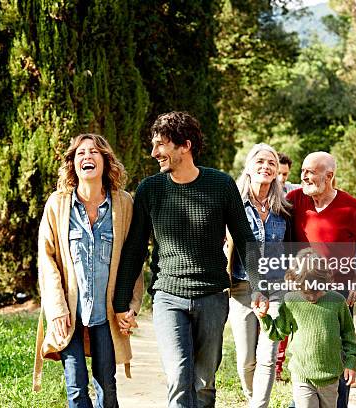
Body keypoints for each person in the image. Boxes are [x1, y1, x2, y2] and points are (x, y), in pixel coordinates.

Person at [113, 111, 265, 408]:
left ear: (185, 145)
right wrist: (122, 303)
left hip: (212, 297)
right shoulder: (150, 189)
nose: (154, 152)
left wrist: (259, 286)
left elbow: (245, 238)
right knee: (180, 376)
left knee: (205, 382)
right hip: (168, 296)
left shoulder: (220, 184)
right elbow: (134, 250)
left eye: (161, 145)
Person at [32, 134, 144, 408]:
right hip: (70, 315)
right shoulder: (57, 205)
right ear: (73, 163)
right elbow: (46, 261)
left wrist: (131, 305)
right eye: (80, 153)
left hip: (106, 315)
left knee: (107, 384)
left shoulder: (124, 204)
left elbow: (133, 261)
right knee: (76, 387)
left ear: (105, 161)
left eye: (94, 152)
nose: (87, 157)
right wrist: (57, 309)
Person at [285, 151, 356, 408]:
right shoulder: (295, 200)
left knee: (337, 353)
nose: (304, 176)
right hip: (302, 294)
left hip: (338, 294)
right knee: (306, 351)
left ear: (329, 176)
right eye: (303, 171)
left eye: (311, 171)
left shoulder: (350, 207)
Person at [225, 143, 293, 407]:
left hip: (276, 288)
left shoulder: (283, 209)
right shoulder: (234, 205)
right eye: (260, 162)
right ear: (249, 168)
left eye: (271, 163)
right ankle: (254, 399)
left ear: (277, 171)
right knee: (246, 360)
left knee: (268, 356)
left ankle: (259, 405)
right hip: (242, 289)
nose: (266, 167)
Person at [259, 248, 356, 408]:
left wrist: (351, 362)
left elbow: (349, 335)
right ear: (295, 283)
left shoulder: (338, 301)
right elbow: (278, 332)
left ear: (326, 281)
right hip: (302, 375)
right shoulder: (291, 301)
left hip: (330, 377)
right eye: (306, 292)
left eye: (316, 291)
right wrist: (264, 317)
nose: (311, 297)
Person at [275, 151, 301, 381]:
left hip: (290, 262)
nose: (282, 178)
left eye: (285, 174)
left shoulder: (293, 193)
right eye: (279, 174)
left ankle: (280, 363)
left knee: (288, 312)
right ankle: (274, 362)